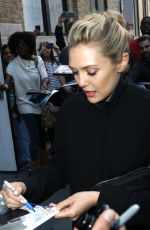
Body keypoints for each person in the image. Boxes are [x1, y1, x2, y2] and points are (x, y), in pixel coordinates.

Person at [1, 11, 150, 229]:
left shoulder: (145, 108)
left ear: (121, 61)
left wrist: (98, 197)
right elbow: (61, 167)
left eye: (91, 71)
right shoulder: (71, 109)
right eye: (75, 72)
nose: (82, 82)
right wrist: (25, 185)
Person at [0, 31, 49, 172]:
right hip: (24, 104)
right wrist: (3, 86)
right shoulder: (13, 65)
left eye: (23, 45)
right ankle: (34, 167)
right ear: (15, 47)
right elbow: (7, 84)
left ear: (29, 45)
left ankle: (44, 160)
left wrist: (44, 85)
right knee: (34, 135)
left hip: (38, 101)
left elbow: (45, 77)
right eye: (18, 46)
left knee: (41, 133)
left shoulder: (37, 60)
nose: (21, 48)